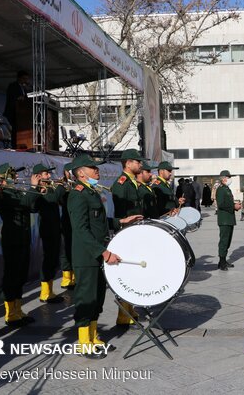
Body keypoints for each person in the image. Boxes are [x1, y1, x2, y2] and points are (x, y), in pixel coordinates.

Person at [68, 154, 142, 359]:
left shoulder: (91, 192)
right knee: (86, 298)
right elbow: (81, 230)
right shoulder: (77, 194)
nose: (97, 171)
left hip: (97, 255)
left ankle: (94, 337)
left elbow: (99, 222)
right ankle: (84, 343)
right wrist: (103, 252)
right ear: (81, 172)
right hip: (86, 256)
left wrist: (121, 221)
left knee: (97, 298)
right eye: (93, 168)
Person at [0, 163, 40, 326]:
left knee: (21, 276)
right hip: (12, 238)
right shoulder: (4, 192)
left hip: (23, 237)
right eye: (12, 175)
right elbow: (23, 204)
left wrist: (37, 192)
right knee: (12, 276)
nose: (15, 178)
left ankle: (18, 310)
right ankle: (10, 314)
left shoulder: (15, 191)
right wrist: (34, 188)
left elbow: (32, 207)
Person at [111, 148, 148, 329]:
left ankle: (130, 309)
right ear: (128, 163)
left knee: (134, 271)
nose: (140, 164)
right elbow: (121, 212)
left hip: (135, 232)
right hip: (126, 233)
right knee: (126, 272)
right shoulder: (122, 183)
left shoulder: (132, 182)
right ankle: (123, 316)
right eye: (137, 161)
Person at [32, 163, 66, 304]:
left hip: (55, 227)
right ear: (39, 176)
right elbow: (52, 199)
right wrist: (60, 185)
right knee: (48, 260)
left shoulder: (49, 188)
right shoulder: (40, 190)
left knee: (53, 260)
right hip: (47, 228)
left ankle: (49, 291)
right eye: (47, 174)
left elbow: (59, 201)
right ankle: (45, 293)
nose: (50, 176)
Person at [215, 170, 241, 270]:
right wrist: (234, 206)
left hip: (229, 218)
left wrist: (235, 205)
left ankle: (223, 260)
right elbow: (221, 204)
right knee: (224, 240)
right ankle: (222, 262)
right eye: (229, 177)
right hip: (224, 219)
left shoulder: (226, 188)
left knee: (228, 241)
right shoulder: (221, 189)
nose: (230, 179)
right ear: (224, 178)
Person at [3, 70, 31, 148]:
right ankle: (14, 146)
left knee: (19, 129)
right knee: (15, 129)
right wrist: (18, 98)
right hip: (13, 112)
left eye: (27, 79)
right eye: (24, 78)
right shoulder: (12, 86)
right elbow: (11, 97)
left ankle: (21, 144)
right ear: (19, 78)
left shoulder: (24, 88)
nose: (26, 80)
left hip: (21, 113)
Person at [60, 161, 76, 289]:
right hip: (66, 221)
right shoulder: (63, 186)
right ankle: (66, 278)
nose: (70, 174)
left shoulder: (77, 185)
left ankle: (74, 275)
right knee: (66, 249)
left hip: (75, 220)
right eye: (68, 171)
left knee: (74, 248)